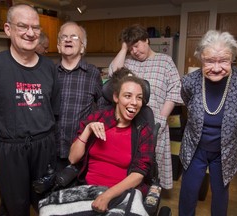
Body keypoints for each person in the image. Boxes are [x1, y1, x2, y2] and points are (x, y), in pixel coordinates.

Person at [0, 4, 60, 216]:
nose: (30, 33)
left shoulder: (50, 68)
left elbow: (54, 109)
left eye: (35, 27)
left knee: (47, 204)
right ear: (8, 29)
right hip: (10, 150)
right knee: (14, 207)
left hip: (45, 148)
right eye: (23, 26)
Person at [38, 68, 154, 215]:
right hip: (88, 189)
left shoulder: (143, 130)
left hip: (122, 192)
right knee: (47, 211)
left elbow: (139, 173)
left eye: (139, 98)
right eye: (128, 96)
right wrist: (87, 130)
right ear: (116, 97)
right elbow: (73, 158)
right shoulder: (97, 118)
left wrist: (107, 195)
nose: (134, 102)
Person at [178, 30, 237, 216]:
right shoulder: (189, 81)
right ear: (200, 59)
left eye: (223, 60)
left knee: (220, 194)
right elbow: (187, 102)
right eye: (209, 61)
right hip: (195, 148)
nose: (216, 68)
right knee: (188, 193)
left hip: (226, 150)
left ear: (233, 58)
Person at [108, 24, 182, 190]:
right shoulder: (128, 63)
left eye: (137, 45)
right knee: (132, 162)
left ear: (147, 40)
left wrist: (162, 118)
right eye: (130, 47)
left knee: (153, 166)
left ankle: (151, 196)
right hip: (131, 123)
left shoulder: (165, 61)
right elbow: (113, 74)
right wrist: (123, 48)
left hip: (156, 122)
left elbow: (174, 91)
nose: (134, 51)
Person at [55, 21, 103, 171]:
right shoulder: (49, 72)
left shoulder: (93, 73)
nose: (68, 39)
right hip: (52, 149)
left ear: (82, 47)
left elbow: (102, 106)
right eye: (64, 37)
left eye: (74, 37)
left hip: (82, 148)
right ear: (58, 46)